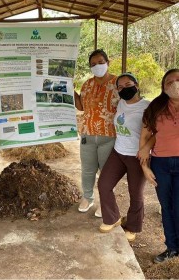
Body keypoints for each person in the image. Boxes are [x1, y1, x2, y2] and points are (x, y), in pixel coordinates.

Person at [97, 72, 149, 242]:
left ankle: (133, 227)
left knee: (136, 194)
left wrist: (146, 153)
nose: (124, 89)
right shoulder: (120, 103)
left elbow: (155, 133)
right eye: (120, 87)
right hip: (118, 152)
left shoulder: (148, 107)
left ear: (137, 85)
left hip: (137, 156)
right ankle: (113, 218)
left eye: (128, 85)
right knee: (104, 184)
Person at [140, 69, 179, 263]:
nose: (174, 84)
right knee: (166, 207)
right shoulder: (155, 108)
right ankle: (172, 248)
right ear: (163, 87)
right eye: (169, 82)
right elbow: (146, 138)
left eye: (178, 80)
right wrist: (145, 168)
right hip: (161, 164)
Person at [74, 49, 119, 216]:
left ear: (108, 62)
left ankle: (104, 202)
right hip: (88, 135)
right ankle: (88, 197)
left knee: (106, 172)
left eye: (101, 62)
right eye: (93, 64)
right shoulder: (87, 85)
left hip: (109, 136)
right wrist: (70, 91)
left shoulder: (117, 83)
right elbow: (81, 106)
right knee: (87, 169)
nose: (97, 66)